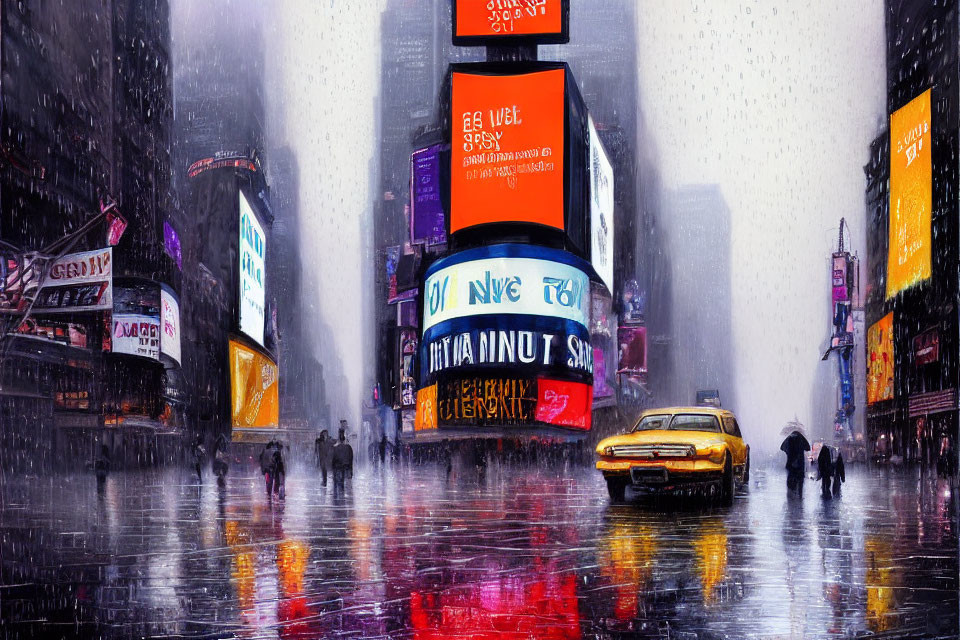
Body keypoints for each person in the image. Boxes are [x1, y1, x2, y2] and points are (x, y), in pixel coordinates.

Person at [780, 430, 810, 495]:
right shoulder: (801, 439)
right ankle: (799, 496)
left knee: (791, 480)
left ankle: (791, 494)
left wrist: (788, 452)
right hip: (800, 464)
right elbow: (808, 448)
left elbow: (782, 447)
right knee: (800, 482)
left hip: (790, 464)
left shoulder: (789, 439)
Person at [332, 424, 354, 493]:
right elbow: (350, 459)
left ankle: (340, 495)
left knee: (339, 483)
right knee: (341, 483)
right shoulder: (347, 447)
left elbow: (334, 458)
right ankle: (341, 495)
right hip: (343, 466)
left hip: (340, 466)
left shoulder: (337, 447)